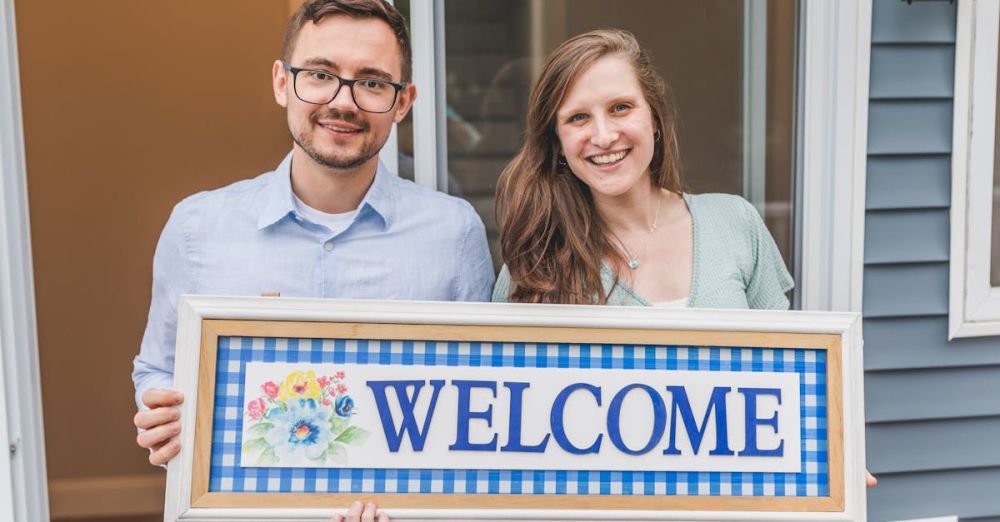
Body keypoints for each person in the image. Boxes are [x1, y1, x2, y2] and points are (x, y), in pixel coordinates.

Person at [492, 28, 877, 490]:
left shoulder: (735, 222)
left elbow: (789, 385)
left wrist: (831, 458)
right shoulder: (535, 262)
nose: (603, 134)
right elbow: (504, 426)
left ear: (654, 118)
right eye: (577, 117)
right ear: (556, 141)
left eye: (620, 107)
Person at [131, 0, 494, 468]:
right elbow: (160, 367)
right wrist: (158, 411)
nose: (343, 101)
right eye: (321, 75)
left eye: (372, 82)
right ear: (282, 82)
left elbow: (480, 394)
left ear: (402, 102)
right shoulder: (197, 229)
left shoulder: (454, 234)